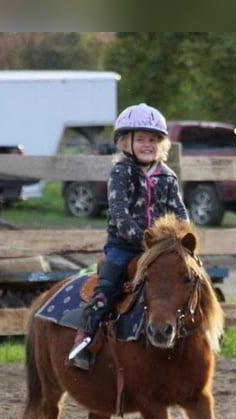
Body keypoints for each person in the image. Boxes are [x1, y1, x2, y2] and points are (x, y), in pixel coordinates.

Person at [70, 103, 189, 370]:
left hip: (161, 250)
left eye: (153, 139)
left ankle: (202, 334)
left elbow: (180, 211)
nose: (148, 145)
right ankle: (85, 339)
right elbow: (119, 214)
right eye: (141, 139)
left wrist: (182, 237)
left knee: (191, 280)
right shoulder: (120, 173)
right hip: (124, 246)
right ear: (125, 142)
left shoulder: (168, 177)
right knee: (106, 287)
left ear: (162, 144)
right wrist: (145, 241)